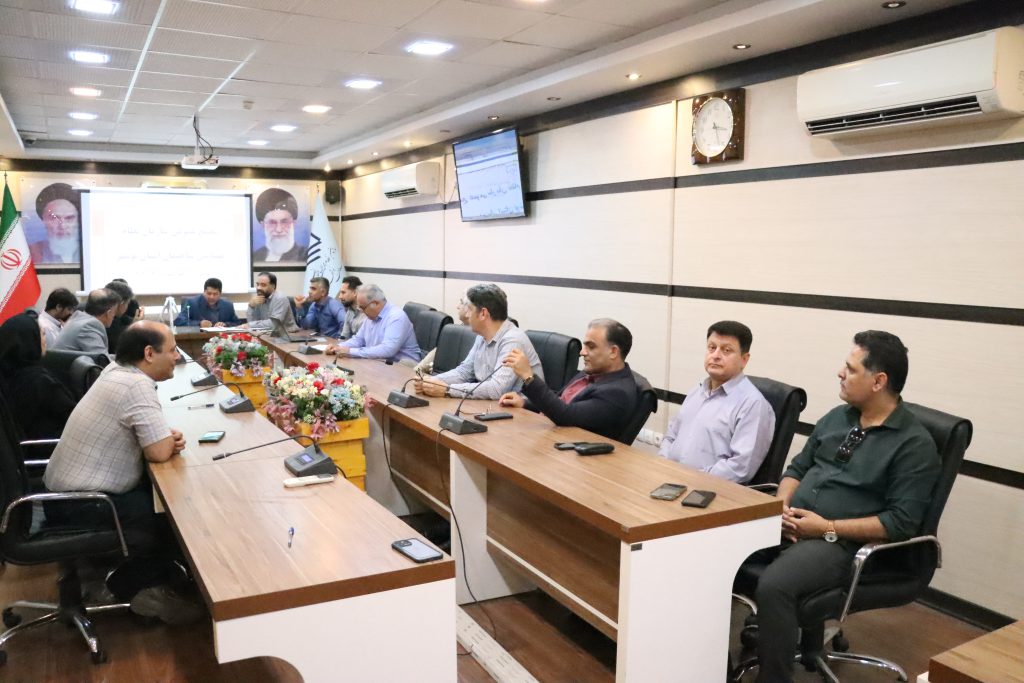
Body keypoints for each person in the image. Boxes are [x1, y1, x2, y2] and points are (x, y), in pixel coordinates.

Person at [750, 331, 940, 683]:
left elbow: (899, 523)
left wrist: (824, 527)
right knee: (714, 547)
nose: (840, 373)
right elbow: (796, 469)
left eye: (851, 369)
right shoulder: (838, 417)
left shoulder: (914, 445)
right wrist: (781, 506)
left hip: (842, 544)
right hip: (793, 523)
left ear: (878, 381)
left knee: (775, 586)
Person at [43, 321, 204, 624]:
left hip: (64, 495)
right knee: (177, 515)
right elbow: (158, 452)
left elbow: (152, 439)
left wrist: (163, 438)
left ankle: (155, 580)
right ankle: (130, 587)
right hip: (84, 503)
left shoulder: (115, 371)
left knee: (164, 499)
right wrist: (166, 441)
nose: (178, 357)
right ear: (149, 353)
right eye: (172, 350)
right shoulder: (135, 385)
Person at [657, 320, 775, 483]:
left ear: (744, 359)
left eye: (726, 350)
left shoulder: (753, 404)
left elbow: (740, 468)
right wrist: (663, 466)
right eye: (712, 348)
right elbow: (671, 437)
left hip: (707, 491)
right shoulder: (697, 391)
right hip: (669, 480)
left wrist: (689, 479)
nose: (716, 355)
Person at [499, 318, 638, 441]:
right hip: (551, 437)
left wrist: (529, 377)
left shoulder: (617, 393)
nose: (582, 352)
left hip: (572, 453)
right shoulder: (595, 372)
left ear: (613, 352)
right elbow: (560, 400)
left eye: (591, 346)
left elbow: (565, 415)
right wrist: (525, 403)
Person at [415, 283, 542, 400]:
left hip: (522, 412)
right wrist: (430, 382)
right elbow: (464, 372)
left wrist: (448, 390)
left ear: (483, 314)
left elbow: (496, 389)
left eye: (470, 309)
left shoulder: (513, 340)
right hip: (493, 406)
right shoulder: (482, 336)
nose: (467, 315)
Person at [0, 313, 77, 441]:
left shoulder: (6, 373)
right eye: (42, 334)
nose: (44, 340)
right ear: (30, 340)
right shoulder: (40, 381)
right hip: (50, 446)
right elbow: (75, 417)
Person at [326, 284, 421, 363]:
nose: (361, 311)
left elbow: (387, 350)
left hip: (403, 368)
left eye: (363, 308)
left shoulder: (396, 317)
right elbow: (358, 340)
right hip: (380, 363)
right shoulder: (370, 316)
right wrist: (338, 347)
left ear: (375, 304)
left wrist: (350, 351)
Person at [52, 288, 120, 355]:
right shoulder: (89, 326)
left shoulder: (79, 318)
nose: (114, 316)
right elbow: (101, 359)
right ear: (108, 313)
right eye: (114, 312)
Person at [29, 182, 80, 264]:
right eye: (54, 218)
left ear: (78, 220)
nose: (62, 226)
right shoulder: (30, 252)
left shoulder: (92, 250)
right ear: (43, 220)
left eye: (69, 218)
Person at [253, 188, 306, 262]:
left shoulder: (305, 256)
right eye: (272, 223)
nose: (279, 229)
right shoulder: (255, 257)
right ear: (263, 225)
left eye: (284, 222)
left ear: (294, 223)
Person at [174, 277, 240, 328]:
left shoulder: (228, 305)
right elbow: (179, 321)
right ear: (204, 292)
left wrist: (225, 324)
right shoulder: (192, 303)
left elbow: (237, 323)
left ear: (220, 294)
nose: (211, 297)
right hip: (199, 338)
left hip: (221, 338)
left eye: (215, 294)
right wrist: (199, 323)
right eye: (209, 293)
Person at [104, 279, 140, 354]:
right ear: (122, 303)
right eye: (127, 303)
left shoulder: (101, 311)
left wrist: (134, 322)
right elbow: (122, 349)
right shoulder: (109, 321)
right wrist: (136, 326)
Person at [337, 275, 365, 339]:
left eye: (343, 292)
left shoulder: (366, 313)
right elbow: (344, 337)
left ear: (355, 293)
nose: (340, 297)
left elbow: (363, 341)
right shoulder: (350, 311)